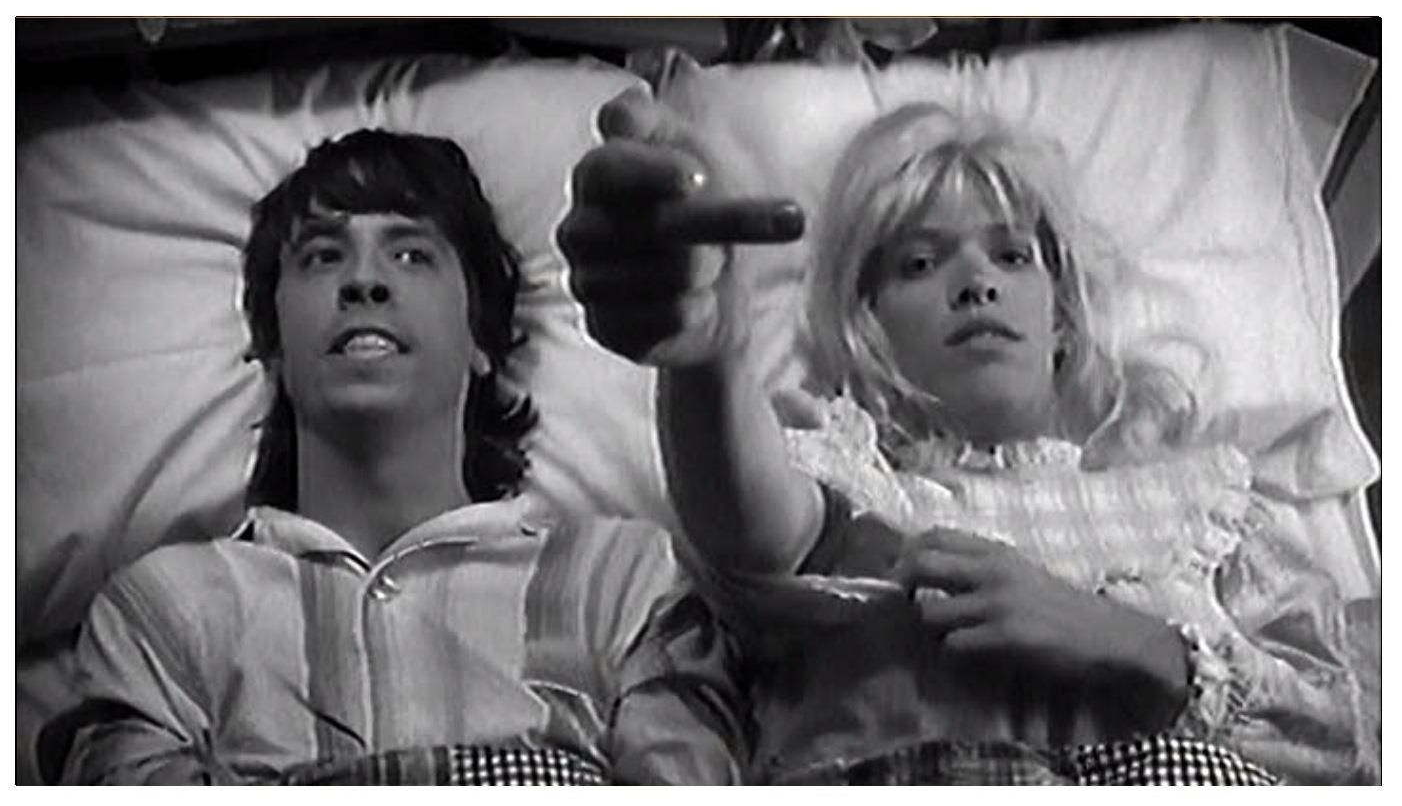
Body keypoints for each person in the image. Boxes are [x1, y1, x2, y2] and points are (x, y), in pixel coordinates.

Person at [559, 95, 1371, 784]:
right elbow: (755, 529)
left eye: (1012, 254)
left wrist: (1144, 647)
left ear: (1063, 315)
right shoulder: (849, 478)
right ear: (867, 321)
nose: (977, 281)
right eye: (919, 263)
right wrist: (711, 355)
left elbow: (1346, 744)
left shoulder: (1208, 513)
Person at [40, 129, 745, 785]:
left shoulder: (624, 583)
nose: (364, 282)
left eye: (411, 254)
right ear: (273, 346)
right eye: (323, 256)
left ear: (480, 339)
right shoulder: (163, 613)